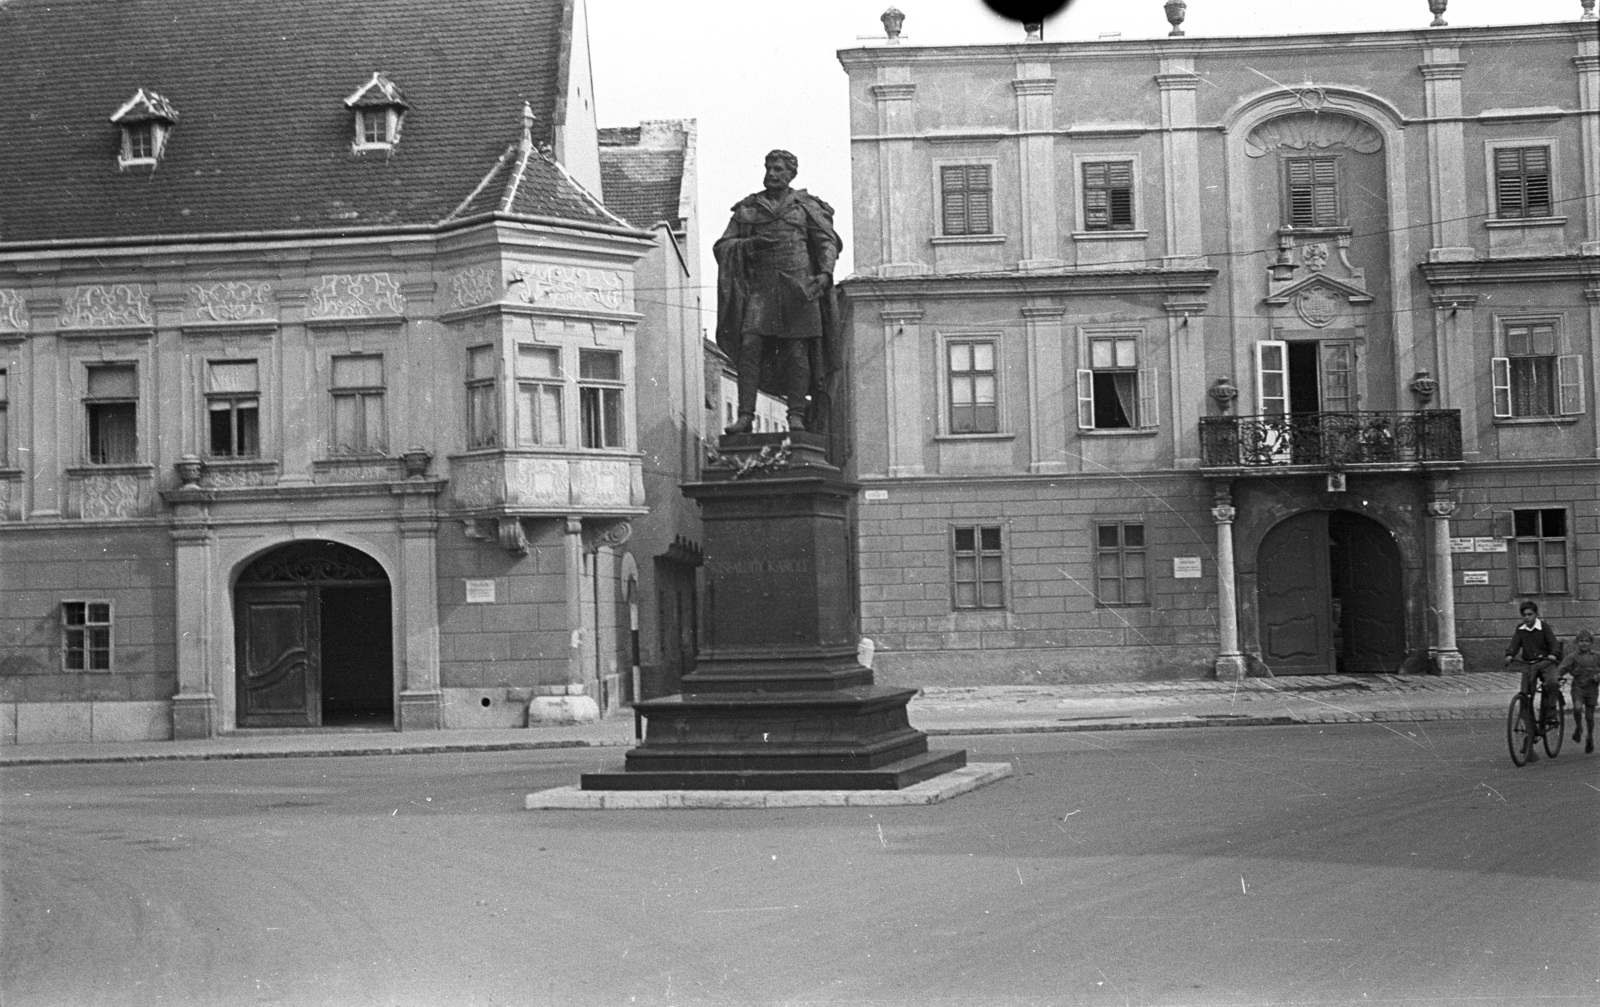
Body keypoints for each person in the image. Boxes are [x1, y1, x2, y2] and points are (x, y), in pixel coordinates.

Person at [714, 149, 842, 435]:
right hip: (762, 289)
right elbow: (723, 246)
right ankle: (746, 415)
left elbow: (826, 242)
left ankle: (795, 415)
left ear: (791, 174)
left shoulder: (806, 207)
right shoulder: (750, 209)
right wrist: (749, 245)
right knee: (749, 347)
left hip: (800, 288)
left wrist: (824, 273)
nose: (772, 173)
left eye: (779, 169)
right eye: (769, 168)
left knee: (797, 354)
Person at [1504, 600, 1560, 761]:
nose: (1527, 618)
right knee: (1524, 696)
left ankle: (1550, 712)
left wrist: (1554, 654)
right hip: (1529, 665)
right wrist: (1510, 654)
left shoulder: (1543, 627)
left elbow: (1554, 644)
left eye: (1530, 614)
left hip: (1545, 662)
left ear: (1536, 615)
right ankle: (1530, 732)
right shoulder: (1520, 630)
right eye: (1524, 615)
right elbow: (1514, 644)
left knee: (1552, 683)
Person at [1556, 628, 1599, 755]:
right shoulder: (1573, 657)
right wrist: (1557, 675)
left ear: (1591, 643)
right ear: (1577, 642)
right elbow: (1563, 667)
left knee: (1590, 716)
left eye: (1586, 641)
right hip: (1578, 687)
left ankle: (1590, 737)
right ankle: (1578, 727)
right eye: (1581, 641)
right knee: (1577, 708)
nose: (1584, 643)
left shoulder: (1597, 656)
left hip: (1592, 688)